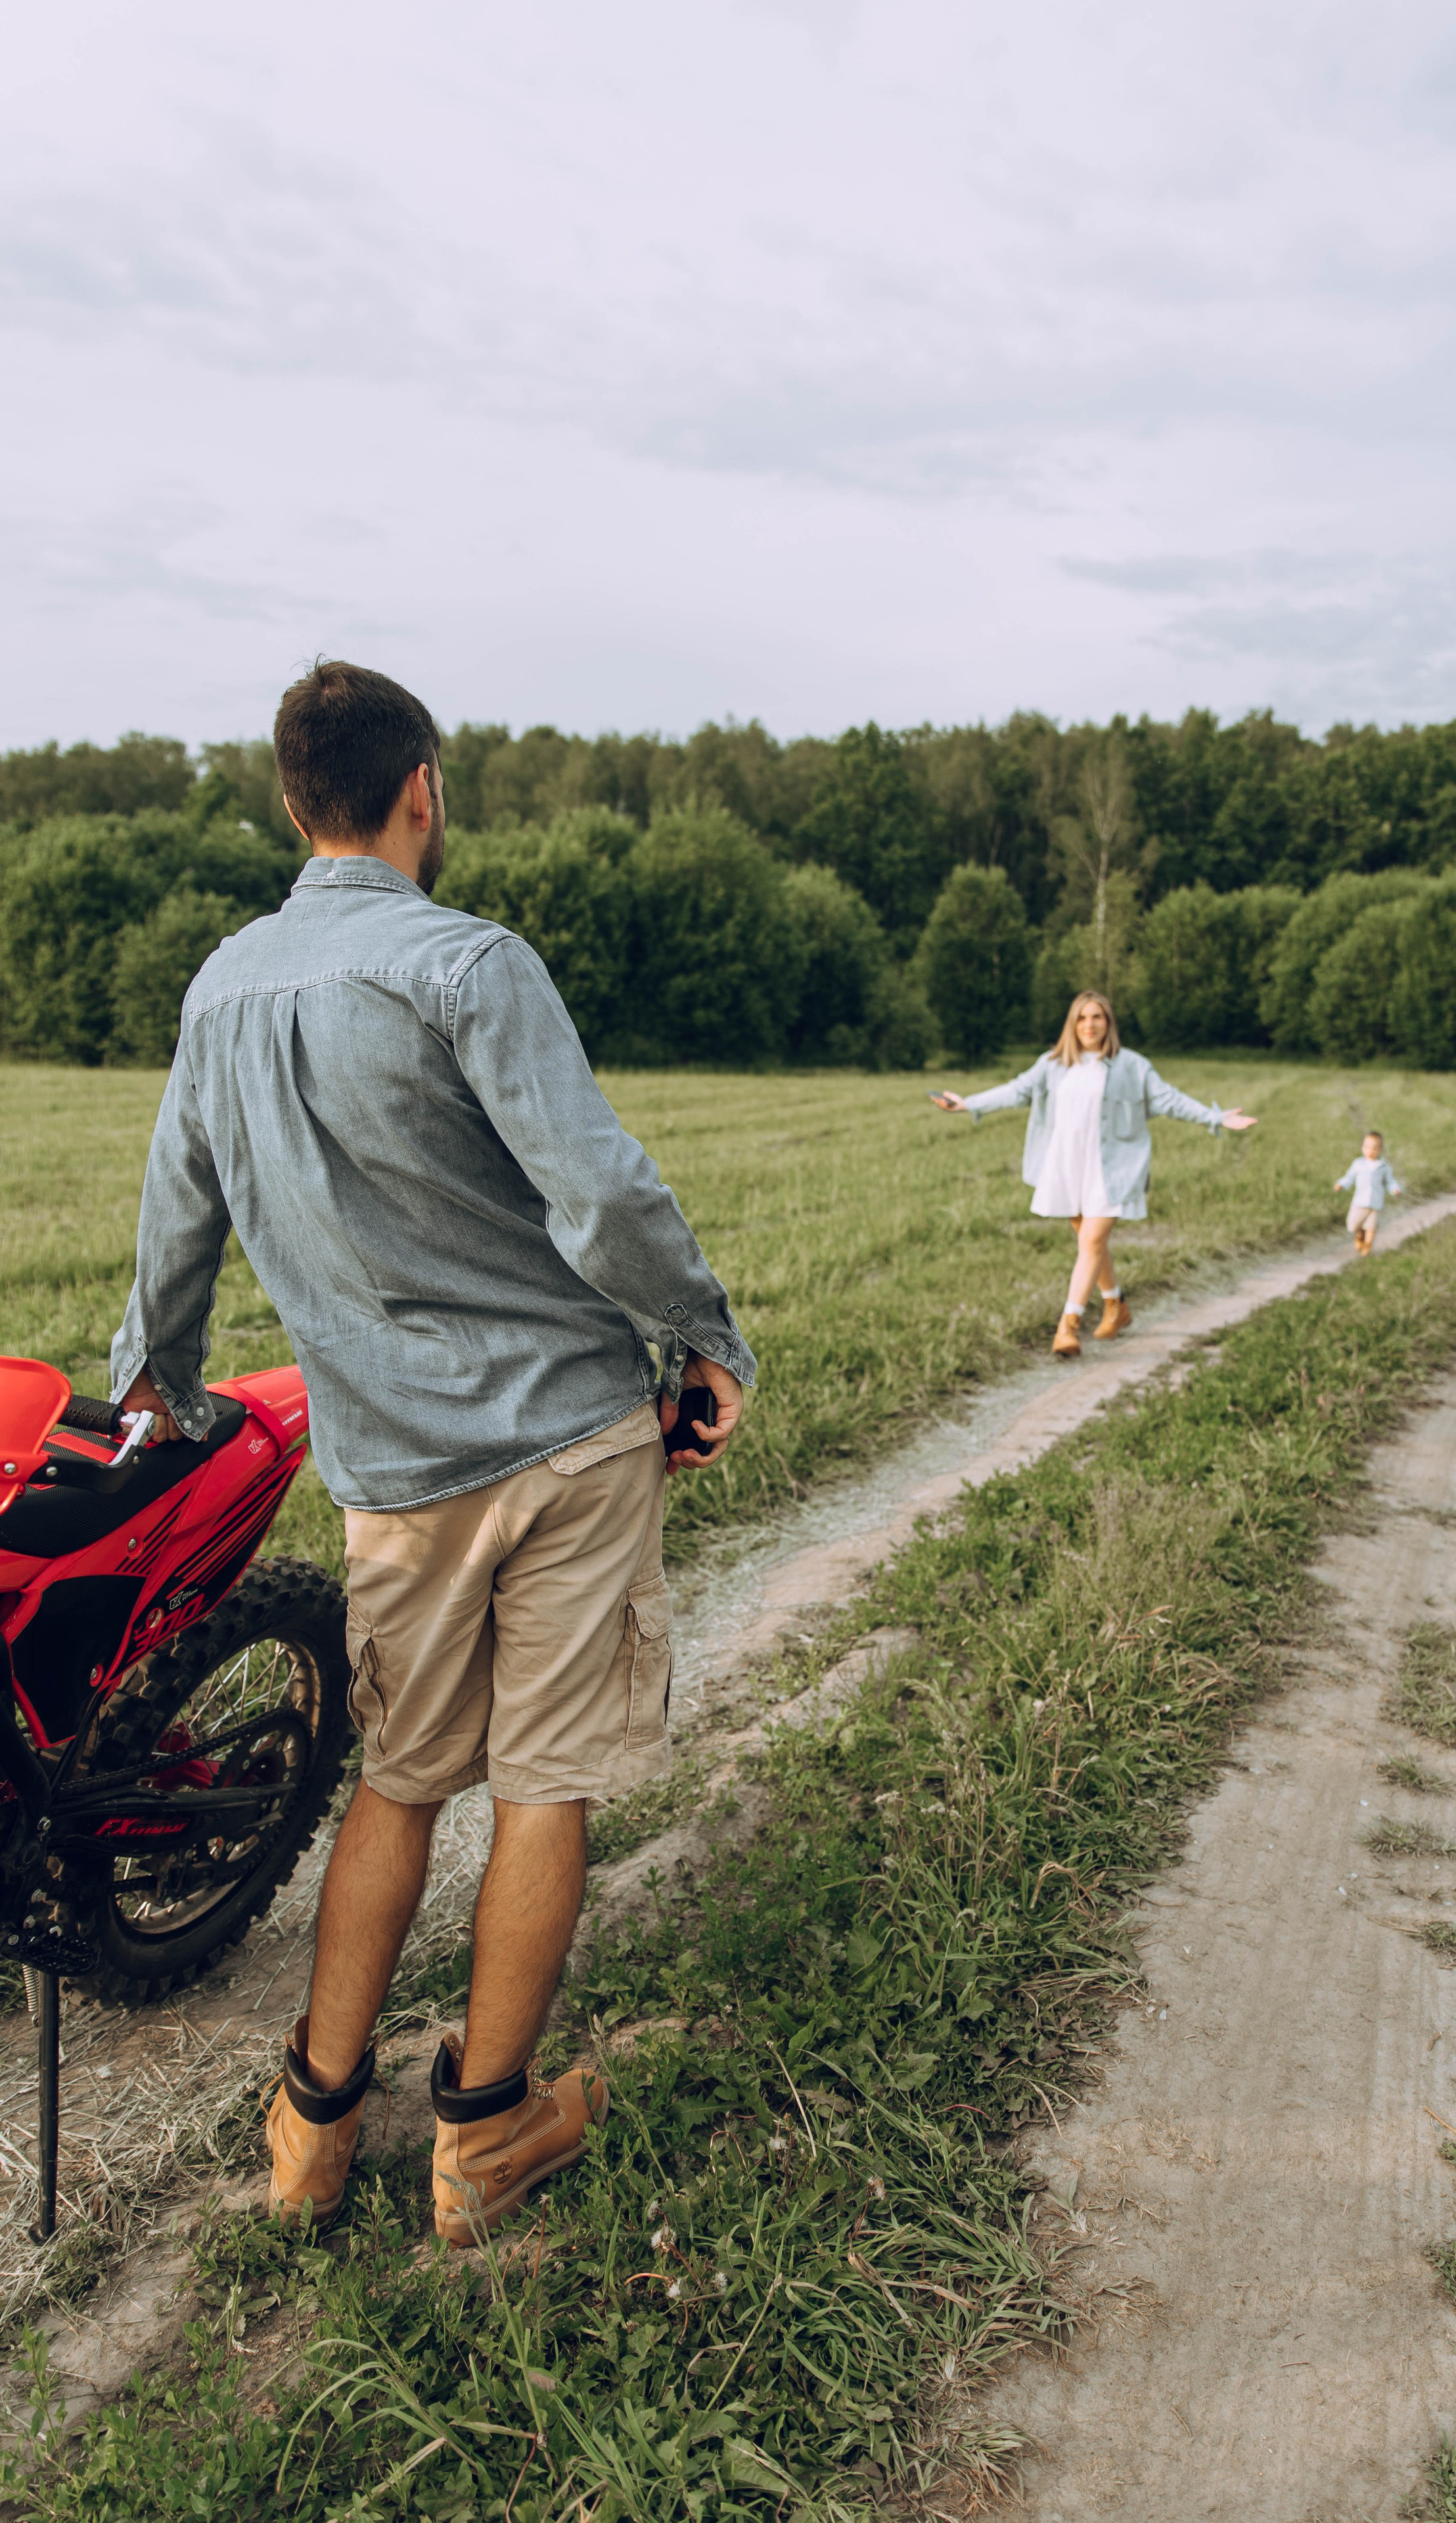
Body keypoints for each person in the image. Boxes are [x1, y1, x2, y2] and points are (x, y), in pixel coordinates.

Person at [110, 660, 754, 2246]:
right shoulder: (469, 963)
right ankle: (483, 2132)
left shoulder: (220, 987)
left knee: (393, 1779)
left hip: (389, 1468)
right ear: (426, 788)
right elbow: (598, 1198)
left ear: (289, 803)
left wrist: (160, 1383)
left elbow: (174, 1216)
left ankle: (311, 2126)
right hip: (560, 1440)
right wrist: (704, 1337)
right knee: (542, 1780)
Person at [932, 991, 1258, 1356]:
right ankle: (1116, 1305)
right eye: (1082, 1018)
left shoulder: (1132, 1066)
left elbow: (1169, 1099)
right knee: (1092, 1243)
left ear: (1109, 1023)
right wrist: (968, 1104)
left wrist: (1216, 1117)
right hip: (1068, 1165)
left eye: (1097, 1017)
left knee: (1090, 1243)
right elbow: (1017, 1090)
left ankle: (1068, 1327)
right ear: (1073, 1024)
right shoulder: (1054, 1064)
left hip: (1114, 1168)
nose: (1090, 1024)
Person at [1334, 1129, 1401, 1257]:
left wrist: (1395, 1189)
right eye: (1367, 1148)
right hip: (1360, 1202)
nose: (1371, 1151)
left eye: (1375, 1149)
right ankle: (1360, 1234)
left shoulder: (1384, 1167)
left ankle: (1368, 1246)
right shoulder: (1358, 1164)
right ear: (1363, 1148)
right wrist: (1341, 1184)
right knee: (1353, 1225)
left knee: (1371, 1227)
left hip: (1376, 1204)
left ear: (1381, 1149)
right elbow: (1349, 1177)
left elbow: (1390, 1182)